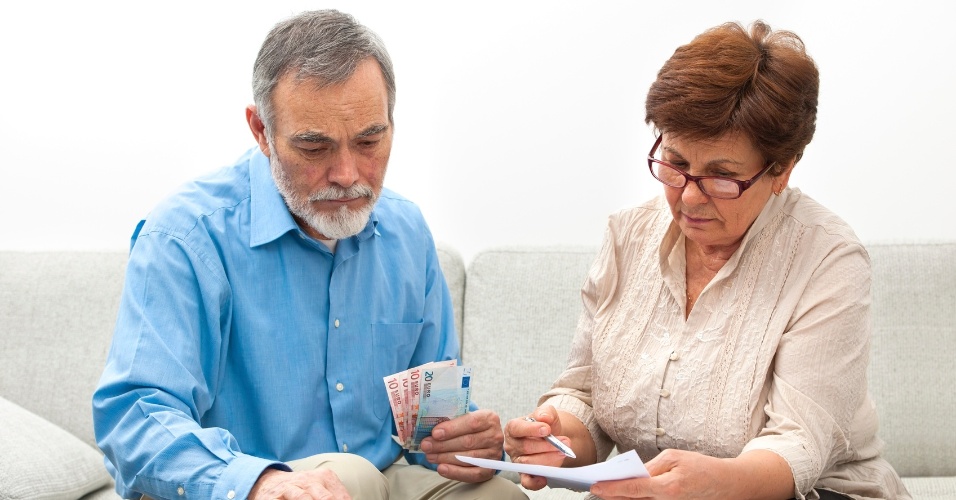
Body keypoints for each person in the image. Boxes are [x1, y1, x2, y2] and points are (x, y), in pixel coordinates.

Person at [92, 9, 526, 500]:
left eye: (369, 140)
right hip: (243, 485)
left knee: (495, 495)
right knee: (353, 476)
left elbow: (431, 428)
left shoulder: (406, 232)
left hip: (375, 482)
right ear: (261, 132)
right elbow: (132, 417)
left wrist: (464, 442)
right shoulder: (185, 237)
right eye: (314, 147)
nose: (347, 173)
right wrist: (258, 482)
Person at [503, 20, 910, 500]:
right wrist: (561, 438)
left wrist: (717, 483)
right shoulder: (628, 235)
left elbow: (799, 444)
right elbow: (586, 394)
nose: (690, 198)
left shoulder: (827, 258)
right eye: (675, 164)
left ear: (782, 169)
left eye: (722, 176)